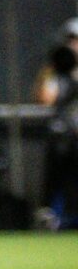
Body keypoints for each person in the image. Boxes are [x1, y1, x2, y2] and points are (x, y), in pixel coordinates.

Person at [33, 18, 78, 229]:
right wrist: (52, 68)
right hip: (63, 136)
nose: (73, 46)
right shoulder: (58, 70)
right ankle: (51, 220)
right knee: (54, 183)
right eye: (70, 40)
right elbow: (45, 99)